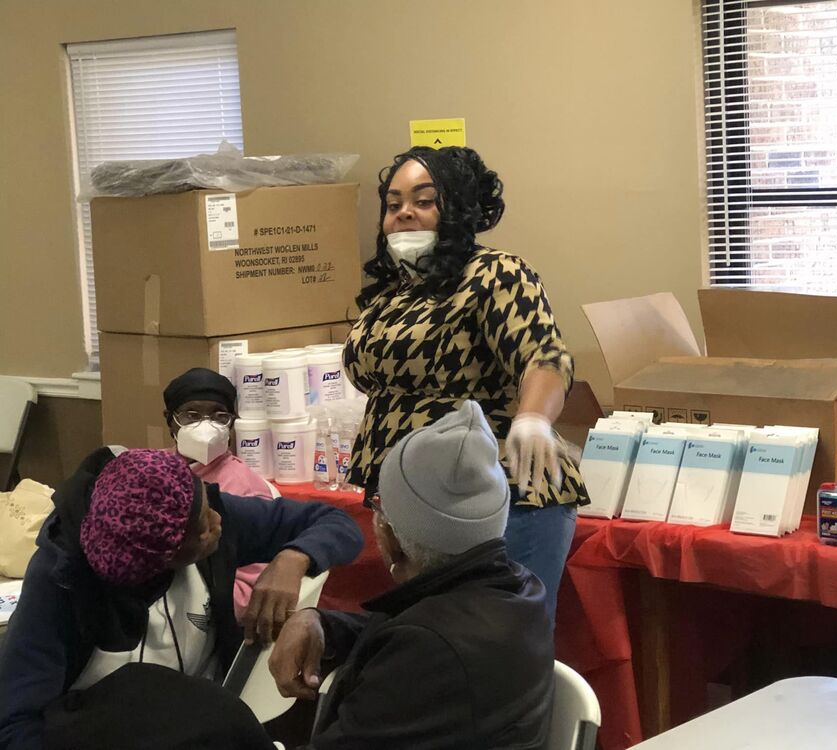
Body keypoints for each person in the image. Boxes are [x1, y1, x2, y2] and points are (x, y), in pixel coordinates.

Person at [343, 145, 588, 622]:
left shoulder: (495, 274)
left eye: (424, 200)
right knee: (426, 650)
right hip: (417, 508)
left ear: (457, 207)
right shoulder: (394, 292)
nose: (404, 214)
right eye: (393, 205)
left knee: (494, 648)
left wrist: (534, 416)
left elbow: (545, 353)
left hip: (497, 498)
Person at [0, 447, 363, 750]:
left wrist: (294, 558)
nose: (217, 520)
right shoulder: (58, 583)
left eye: (207, 505)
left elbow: (337, 523)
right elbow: (14, 723)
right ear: (166, 558)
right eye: (204, 526)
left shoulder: (205, 514)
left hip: (207, 724)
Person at [269, 400, 553, 749]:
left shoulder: (430, 652)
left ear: (390, 536)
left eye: (377, 504)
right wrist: (324, 624)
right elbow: (415, 632)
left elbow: (424, 646)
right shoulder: (517, 590)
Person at [163, 366, 276, 618]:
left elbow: (250, 586)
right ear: (170, 420)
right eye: (191, 415)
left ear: (231, 423)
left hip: (205, 609)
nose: (206, 426)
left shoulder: (244, 487)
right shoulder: (152, 470)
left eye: (218, 416)